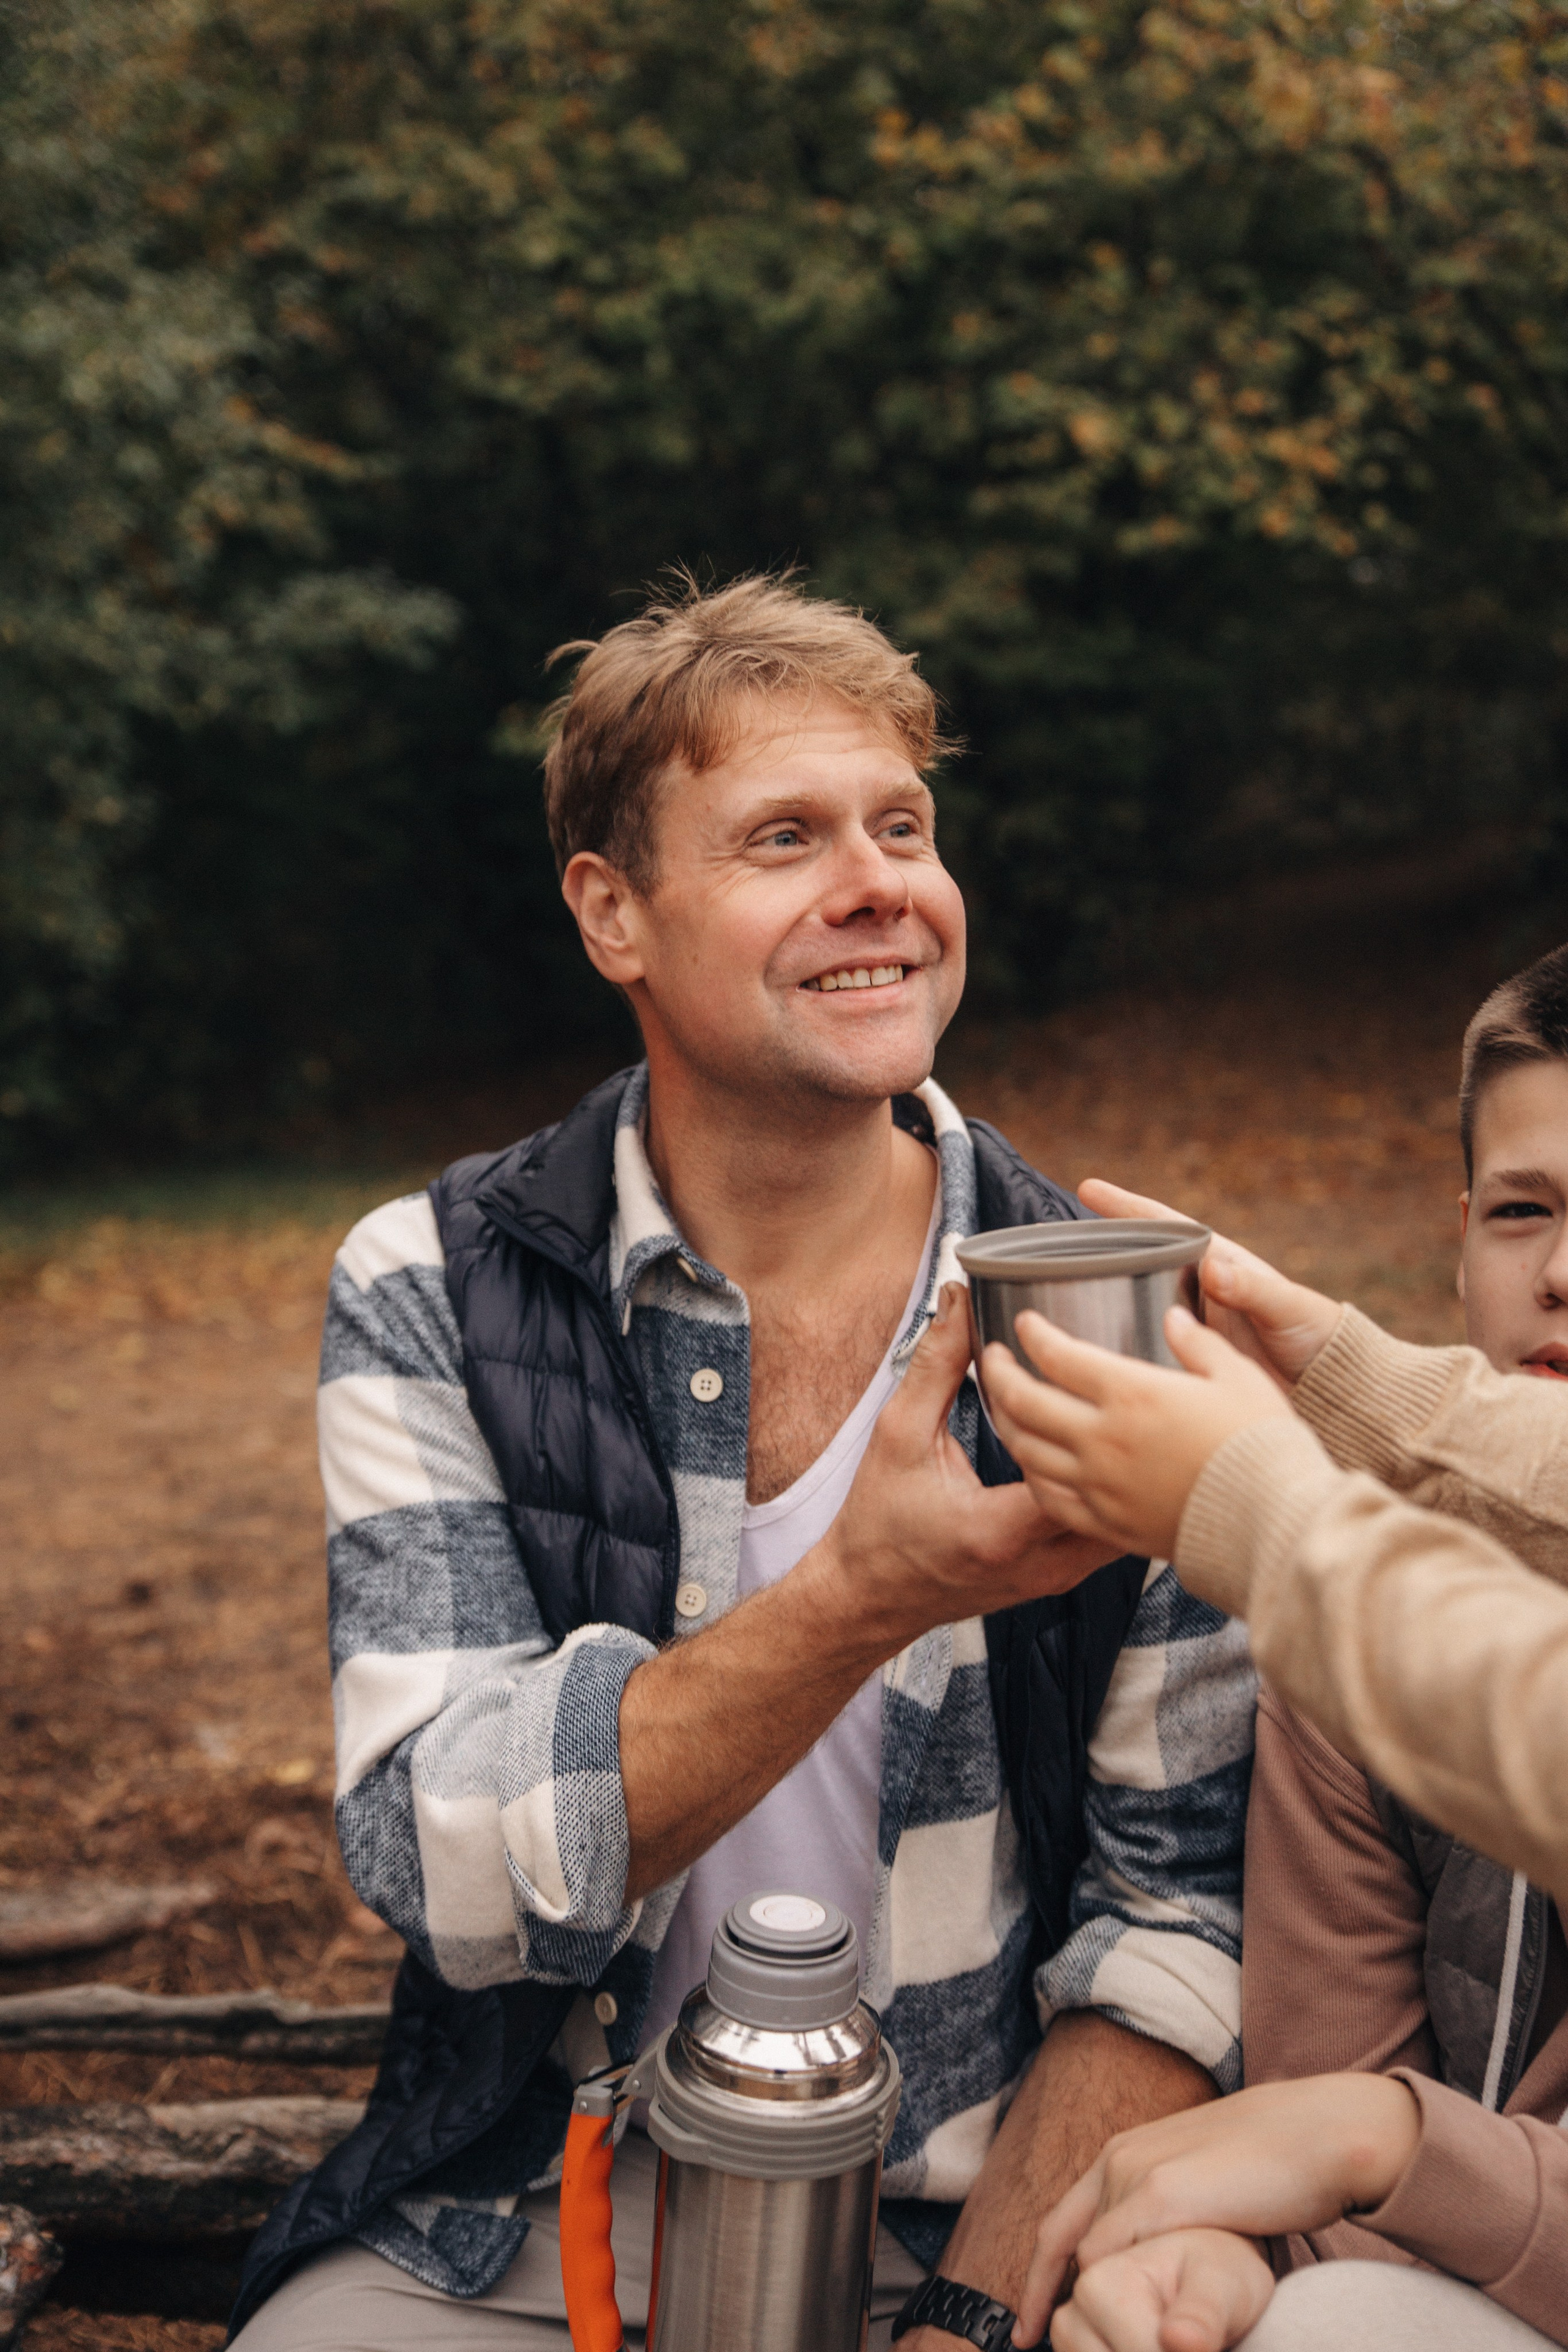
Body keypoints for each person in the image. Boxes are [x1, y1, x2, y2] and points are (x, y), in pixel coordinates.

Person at [227, 575, 1257, 2350]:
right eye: (785, 837)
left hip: (973, 2221)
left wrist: (977, 2319)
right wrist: (863, 1594)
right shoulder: (438, 1283)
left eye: (904, 828)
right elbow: (445, 1873)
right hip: (538, 2220)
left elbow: (1173, 1920)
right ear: (612, 914)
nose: (879, 884)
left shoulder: (1110, 1307)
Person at [986, 942, 1568, 2351]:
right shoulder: (1356, 1629)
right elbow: (1332, 2170)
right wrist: (1246, 2273)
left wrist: (1253, 1511)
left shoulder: (1342, 1589)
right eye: (1520, 1210)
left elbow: (1363, 2138)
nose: (1559, 1273)